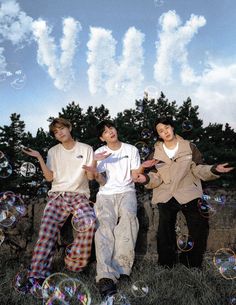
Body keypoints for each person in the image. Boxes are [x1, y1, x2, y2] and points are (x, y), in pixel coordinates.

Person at [134, 117, 234, 269]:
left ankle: (192, 263)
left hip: (188, 191)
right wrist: (145, 178)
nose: (165, 132)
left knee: (199, 224)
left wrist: (214, 169)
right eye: (161, 131)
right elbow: (155, 177)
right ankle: (167, 264)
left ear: (173, 128)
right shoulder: (154, 153)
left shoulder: (189, 147)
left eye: (167, 127)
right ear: (158, 135)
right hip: (165, 193)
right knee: (164, 227)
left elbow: (199, 169)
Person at [18, 117, 96, 292]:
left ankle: (74, 264)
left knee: (89, 222)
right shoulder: (53, 151)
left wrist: (94, 166)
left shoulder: (86, 149)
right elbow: (49, 178)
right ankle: (36, 275)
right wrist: (39, 157)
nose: (59, 133)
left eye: (61, 128)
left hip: (79, 196)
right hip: (58, 196)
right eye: (55, 132)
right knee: (46, 231)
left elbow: (90, 178)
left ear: (69, 127)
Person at [83, 120, 141, 300]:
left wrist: (143, 169)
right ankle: (105, 276)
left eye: (111, 128)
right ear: (102, 137)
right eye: (105, 131)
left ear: (115, 130)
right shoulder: (99, 152)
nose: (110, 132)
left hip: (127, 192)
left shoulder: (131, 150)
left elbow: (135, 174)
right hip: (106, 194)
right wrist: (94, 166)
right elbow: (99, 181)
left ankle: (123, 268)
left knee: (129, 220)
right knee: (104, 227)